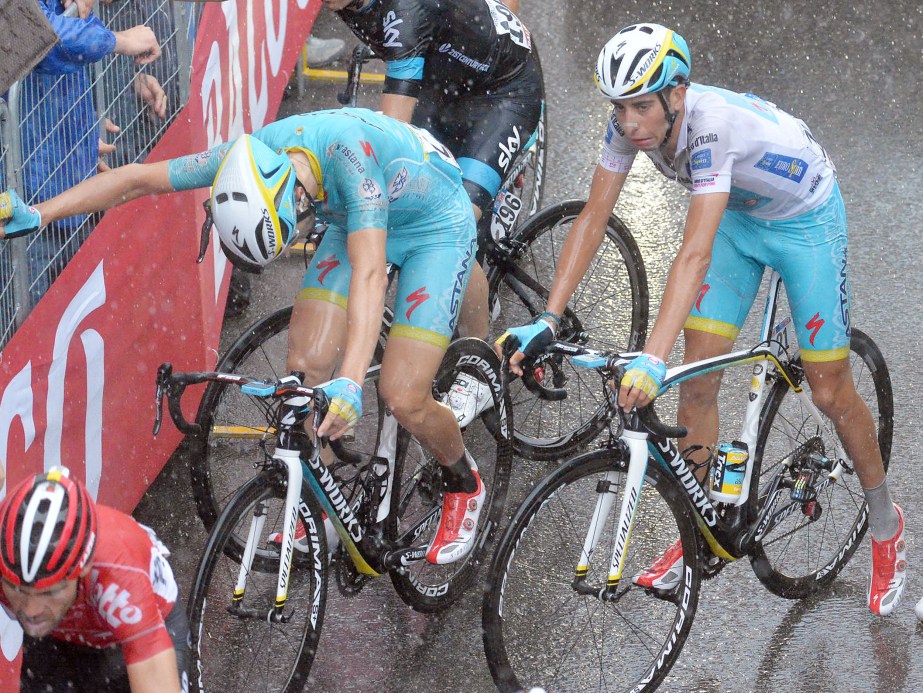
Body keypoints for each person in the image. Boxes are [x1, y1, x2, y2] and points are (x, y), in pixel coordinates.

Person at [499, 23, 905, 616]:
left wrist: (650, 358)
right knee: (697, 380)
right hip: (743, 219)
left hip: (804, 221)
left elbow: (691, 253)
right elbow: (593, 216)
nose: (630, 123)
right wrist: (549, 317)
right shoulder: (628, 127)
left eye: (642, 106)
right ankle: (694, 532)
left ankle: (885, 522)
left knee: (830, 391)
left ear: (678, 93)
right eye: (620, 109)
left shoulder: (710, 130)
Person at [0, 106, 485, 565]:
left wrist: (353, 383)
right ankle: (320, 501)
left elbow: (370, 275)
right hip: (353, 217)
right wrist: (41, 213)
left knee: (401, 394)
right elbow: (138, 180)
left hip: (432, 225)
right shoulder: (250, 156)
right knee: (307, 367)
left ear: (295, 200)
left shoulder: (349, 161)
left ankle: (464, 482)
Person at [323, 0, 544, 426]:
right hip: (443, 82)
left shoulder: (407, 9)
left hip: (503, 92)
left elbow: (386, 140)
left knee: (452, 222)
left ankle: (482, 361)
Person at [0, 467, 190, 692]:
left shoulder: (116, 572)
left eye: (50, 591)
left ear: (85, 566)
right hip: (57, 636)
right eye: (17, 588)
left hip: (133, 634)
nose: (30, 610)